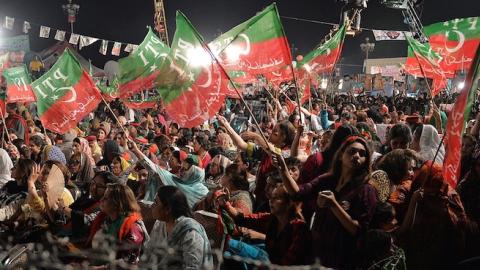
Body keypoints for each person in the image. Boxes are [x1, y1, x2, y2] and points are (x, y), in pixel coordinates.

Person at [278, 136, 377, 269]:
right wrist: (283, 169)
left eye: (362, 154)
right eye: (352, 151)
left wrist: (334, 205)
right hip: (317, 255)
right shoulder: (327, 180)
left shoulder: (365, 190)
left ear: (366, 161)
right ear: (341, 154)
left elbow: (358, 230)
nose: (356, 156)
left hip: (342, 260)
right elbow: (297, 193)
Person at [218, 183, 311, 265]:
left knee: (227, 242)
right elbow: (243, 218)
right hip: (269, 261)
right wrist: (226, 204)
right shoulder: (272, 219)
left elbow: (288, 263)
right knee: (225, 254)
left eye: (277, 198)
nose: (271, 200)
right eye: (272, 197)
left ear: (289, 203)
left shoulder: (298, 228)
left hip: (275, 266)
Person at [146, 185, 213, 269]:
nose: (151, 206)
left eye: (156, 202)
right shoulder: (159, 224)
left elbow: (192, 266)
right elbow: (149, 254)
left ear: (167, 209)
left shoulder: (190, 231)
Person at [87, 184, 148, 266]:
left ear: (117, 203)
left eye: (106, 198)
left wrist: (101, 268)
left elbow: (129, 260)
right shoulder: (105, 219)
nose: (101, 200)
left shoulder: (133, 227)